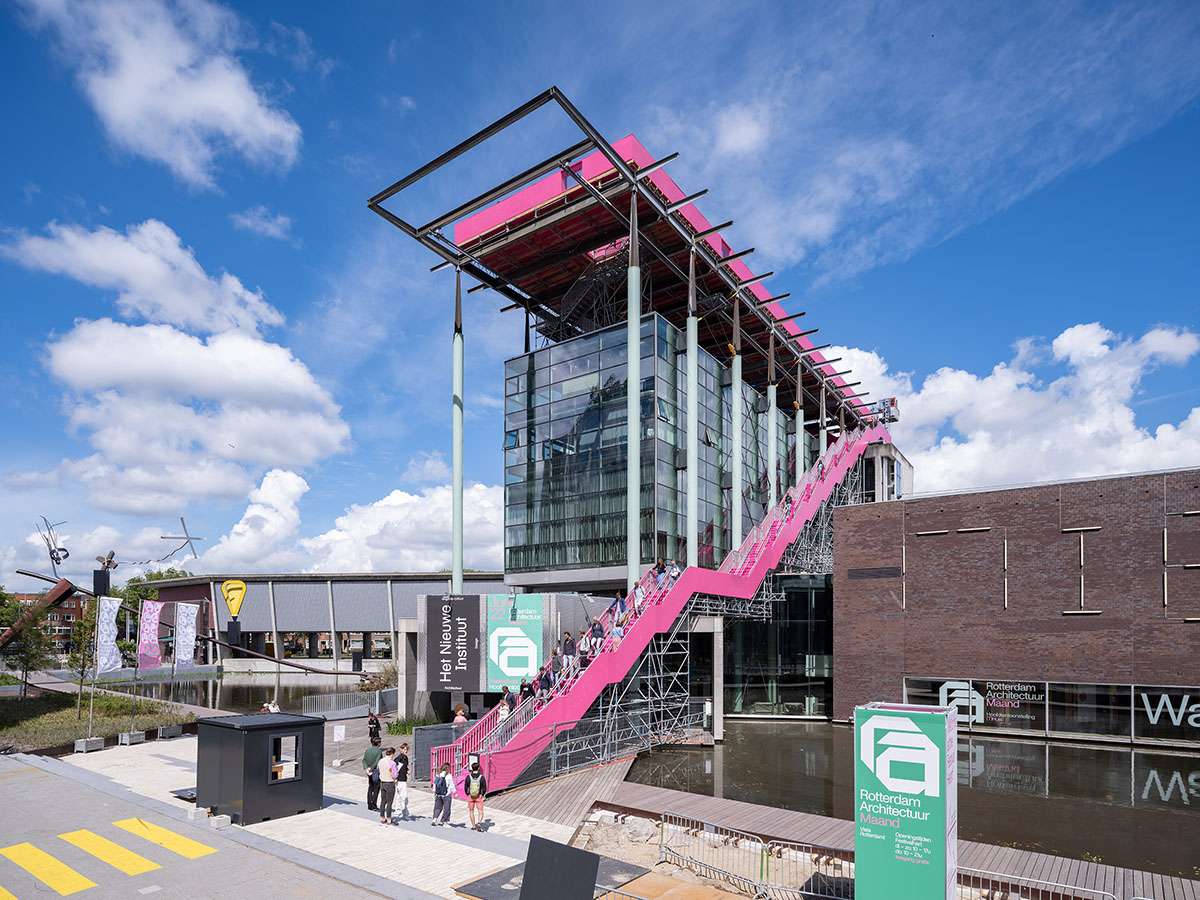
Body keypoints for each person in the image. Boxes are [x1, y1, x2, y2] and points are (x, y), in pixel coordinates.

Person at [464, 759, 488, 831]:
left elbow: (466, 787)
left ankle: (473, 826)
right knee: (480, 811)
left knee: (471, 811)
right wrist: (482, 794)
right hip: (479, 796)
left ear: (472, 768)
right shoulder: (481, 777)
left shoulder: (468, 777)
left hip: (471, 796)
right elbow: (484, 787)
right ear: (478, 768)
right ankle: (479, 822)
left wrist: (468, 794)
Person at [377, 747, 398, 825]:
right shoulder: (392, 763)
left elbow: (379, 770)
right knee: (389, 802)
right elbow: (395, 775)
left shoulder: (381, 761)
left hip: (382, 782)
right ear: (392, 754)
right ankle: (389, 818)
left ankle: (382, 817)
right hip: (390, 783)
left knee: (383, 801)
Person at [362, 736, 383, 811]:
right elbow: (377, 761)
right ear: (378, 743)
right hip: (375, 771)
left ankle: (369, 804)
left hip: (368, 771)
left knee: (370, 787)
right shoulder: (379, 751)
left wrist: (367, 768)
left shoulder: (367, 750)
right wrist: (371, 768)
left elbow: (364, 760)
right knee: (376, 788)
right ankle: (374, 804)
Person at [395, 742, 410, 820]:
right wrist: (395, 778)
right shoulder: (399, 758)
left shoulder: (405, 758)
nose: (406, 751)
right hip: (399, 779)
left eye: (406, 749)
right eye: (404, 749)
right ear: (401, 749)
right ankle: (402, 812)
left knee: (400, 796)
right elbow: (395, 768)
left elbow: (405, 767)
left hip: (403, 778)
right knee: (403, 796)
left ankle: (399, 811)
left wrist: (407, 771)